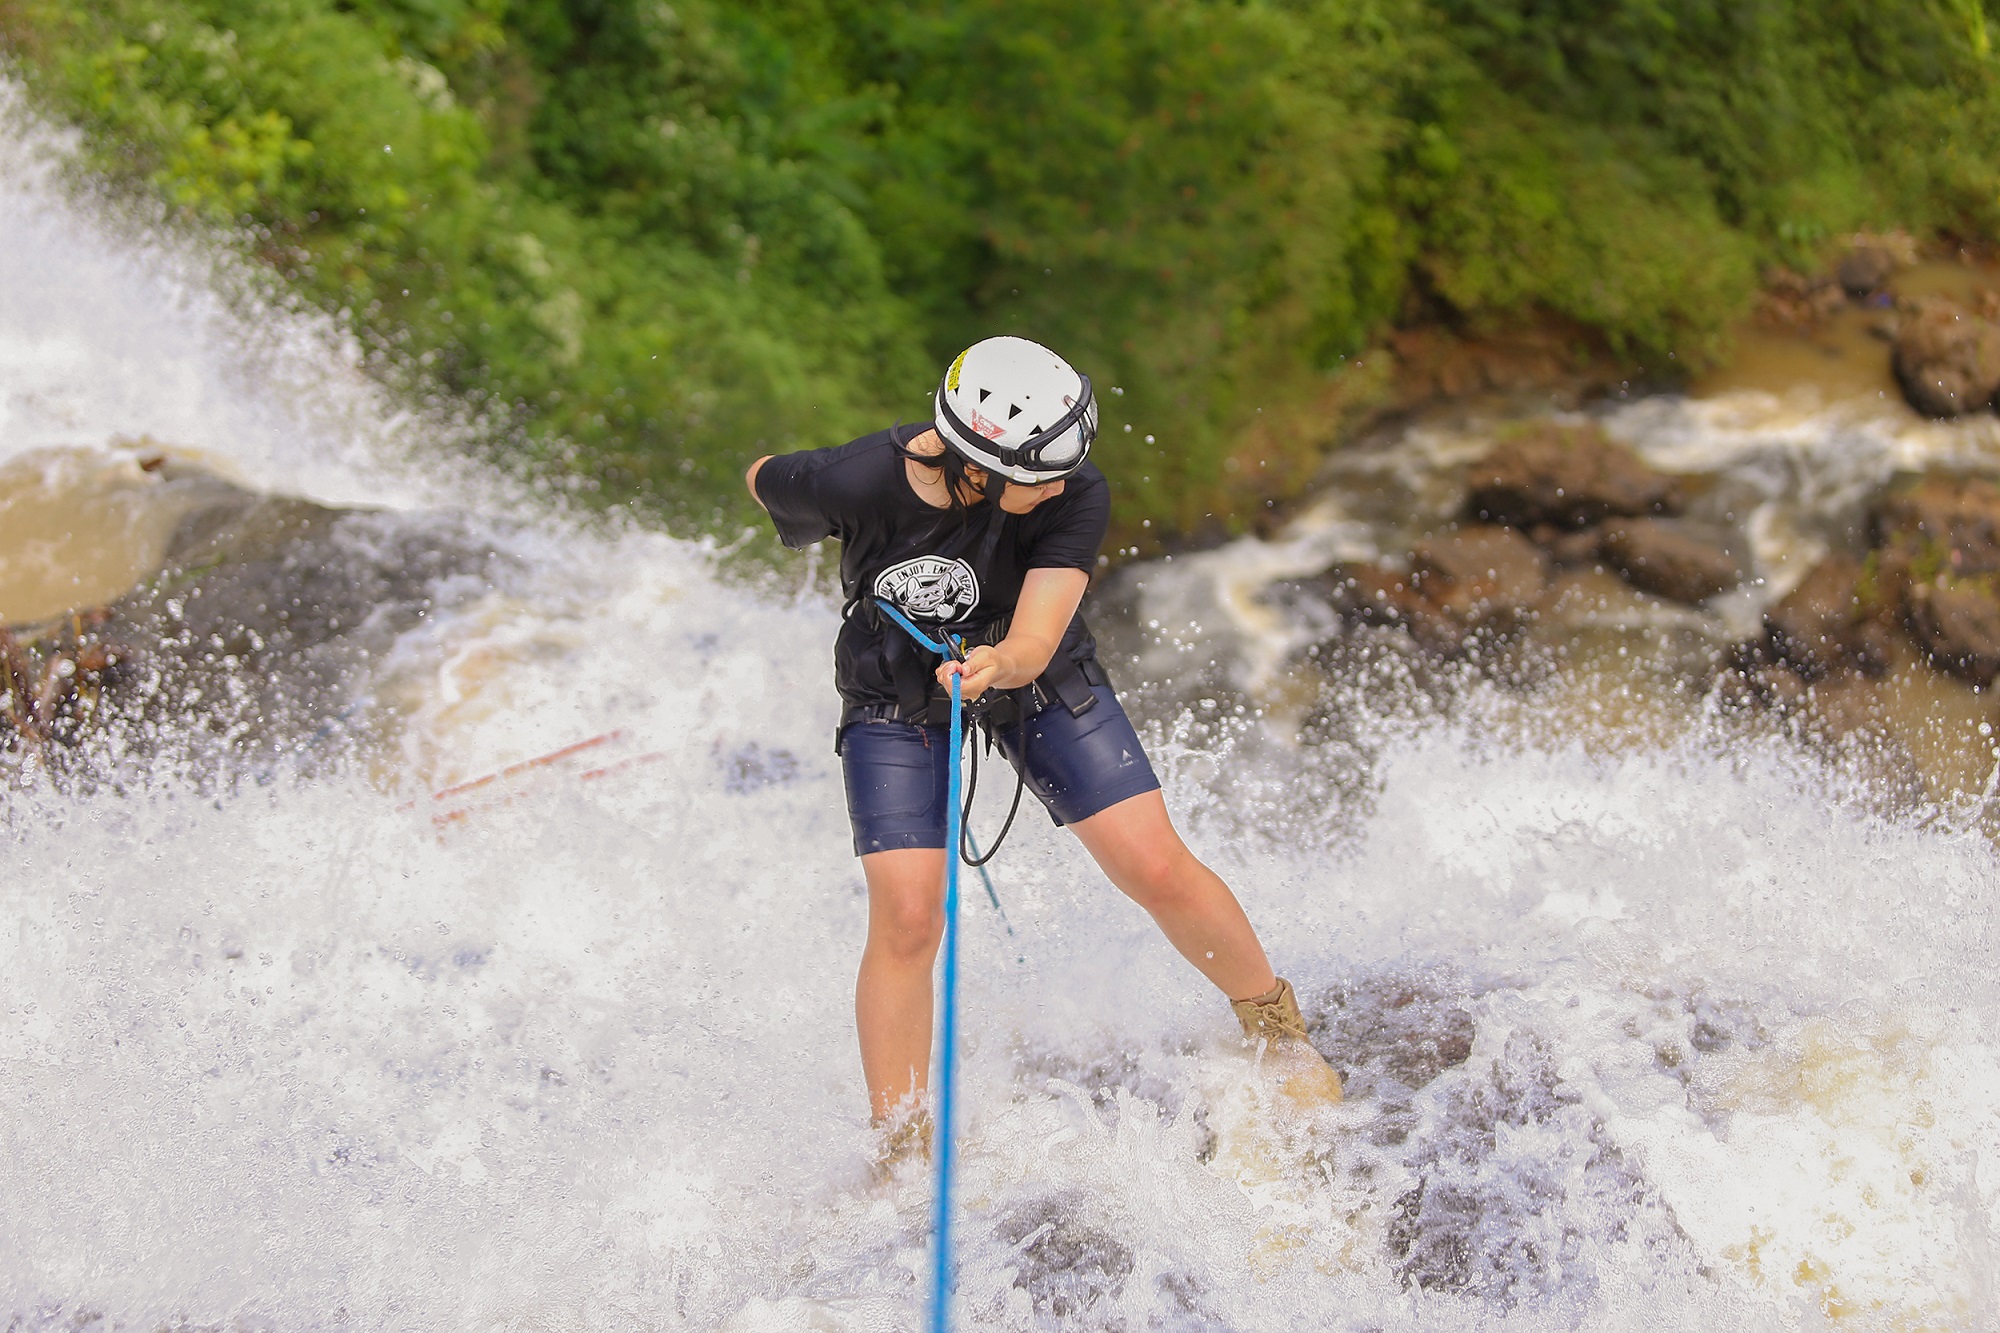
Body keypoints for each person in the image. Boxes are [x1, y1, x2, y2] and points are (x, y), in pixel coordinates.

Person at [745, 336, 1339, 1160]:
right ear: (973, 465)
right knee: (911, 916)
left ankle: (1279, 1031)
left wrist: (999, 666)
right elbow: (767, 477)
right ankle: (903, 1142)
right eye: (1040, 476)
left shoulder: (1073, 492)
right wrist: (815, 509)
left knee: (1154, 863)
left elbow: (1034, 633)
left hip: (1032, 670)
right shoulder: (857, 479)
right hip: (891, 694)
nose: (1060, 486)